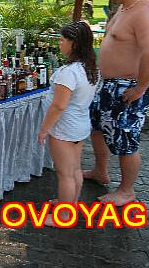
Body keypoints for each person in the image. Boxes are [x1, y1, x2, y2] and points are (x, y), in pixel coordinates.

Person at [83, 0, 149, 206]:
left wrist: (139, 88)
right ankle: (100, 171)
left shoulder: (145, 12)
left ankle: (127, 191)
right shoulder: (125, 8)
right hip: (107, 84)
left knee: (126, 138)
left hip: (126, 86)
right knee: (97, 129)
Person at [37, 21, 97, 226]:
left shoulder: (68, 72)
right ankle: (69, 203)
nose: (60, 43)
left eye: (63, 40)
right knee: (74, 170)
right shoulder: (88, 68)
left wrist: (44, 129)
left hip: (65, 128)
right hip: (80, 124)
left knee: (65, 174)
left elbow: (59, 105)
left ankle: (64, 216)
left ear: (74, 44)